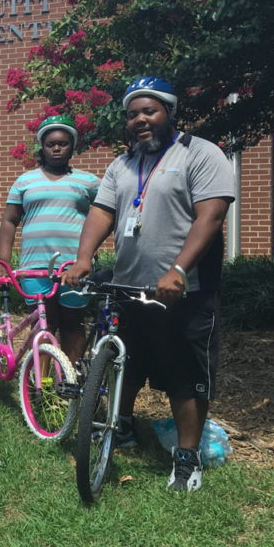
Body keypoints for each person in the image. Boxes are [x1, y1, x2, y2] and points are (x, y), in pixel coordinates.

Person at [64, 77, 235, 492]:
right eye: (132, 114)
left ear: (169, 113)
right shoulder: (122, 165)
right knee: (129, 363)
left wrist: (178, 269)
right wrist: (84, 257)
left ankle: (186, 458)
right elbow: (102, 213)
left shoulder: (200, 152)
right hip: (129, 287)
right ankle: (121, 426)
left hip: (184, 291)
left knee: (185, 375)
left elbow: (209, 217)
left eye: (149, 111)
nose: (140, 120)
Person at [0, 114, 99, 364]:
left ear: (71, 146)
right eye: (50, 143)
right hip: (34, 267)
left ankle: (73, 382)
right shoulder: (24, 181)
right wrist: (4, 262)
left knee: (73, 324)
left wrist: (92, 249)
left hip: (74, 265)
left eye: (62, 143)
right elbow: (9, 221)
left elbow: (105, 217)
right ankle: (38, 387)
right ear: (42, 146)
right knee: (43, 324)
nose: (56, 147)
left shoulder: (89, 182)